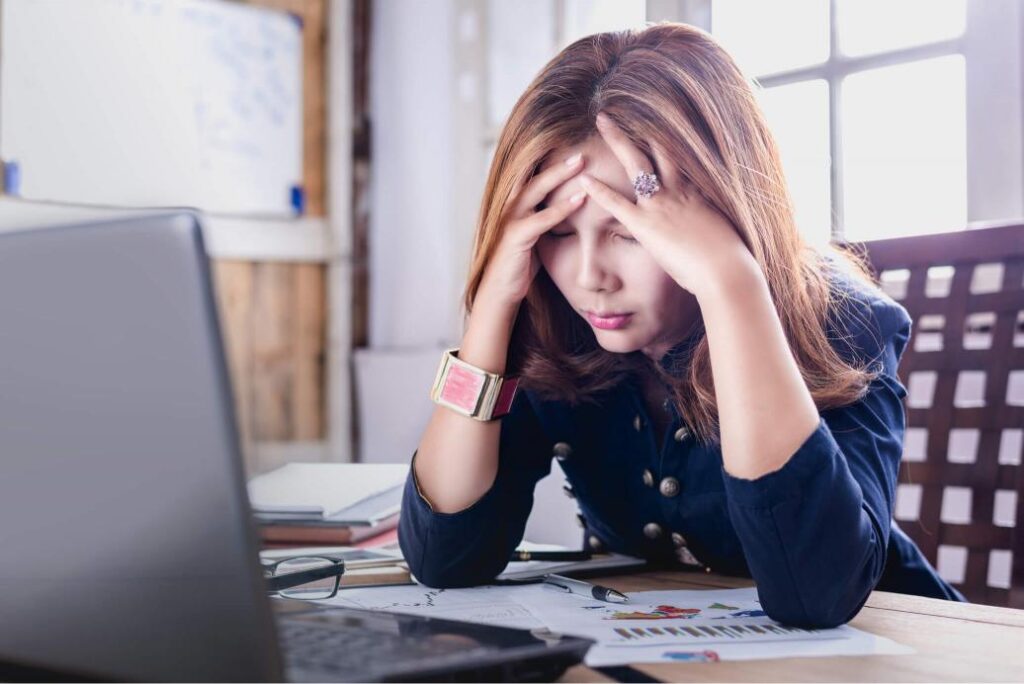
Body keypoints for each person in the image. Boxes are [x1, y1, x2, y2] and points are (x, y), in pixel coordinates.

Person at [398, 22, 963, 628]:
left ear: (722, 210)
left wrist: (730, 284)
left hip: (902, 648)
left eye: (630, 233)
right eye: (558, 234)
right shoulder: (556, 325)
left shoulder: (844, 320)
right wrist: (490, 311)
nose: (590, 275)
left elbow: (814, 594)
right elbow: (443, 558)